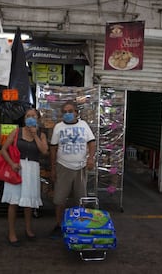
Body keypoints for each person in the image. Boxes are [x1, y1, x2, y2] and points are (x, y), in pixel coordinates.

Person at [0, 108, 48, 247]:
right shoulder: (16, 132)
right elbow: (4, 149)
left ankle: (28, 229)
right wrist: (12, 163)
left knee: (28, 202)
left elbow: (44, 151)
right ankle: (12, 233)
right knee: (13, 202)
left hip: (32, 169)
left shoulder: (41, 134)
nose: (31, 118)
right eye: (28, 116)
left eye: (33, 116)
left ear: (38, 119)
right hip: (17, 168)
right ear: (24, 119)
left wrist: (35, 135)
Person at [49, 100, 96, 237]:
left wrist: (91, 158)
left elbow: (92, 143)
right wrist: (52, 168)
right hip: (63, 167)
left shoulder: (84, 125)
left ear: (76, 112)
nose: (67, 114)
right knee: (59, 199)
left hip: (81, 168)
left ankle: (79, 225)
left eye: (70, 111)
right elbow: (53, 149)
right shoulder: (58, 127)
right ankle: (58, 225)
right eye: (64, 112)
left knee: (81, 199)